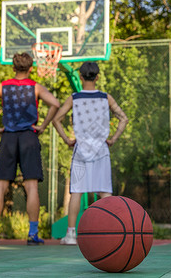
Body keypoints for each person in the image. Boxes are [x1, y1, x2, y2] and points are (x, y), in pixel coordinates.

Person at [0, 52, 60, 245]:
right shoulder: (35, 87)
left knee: (0, 185)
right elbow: (55, 104)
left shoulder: (3, 87)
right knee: (31, 186)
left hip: (8, 138)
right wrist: (43, 125)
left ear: (13, 68)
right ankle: (32, 234)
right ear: (31, 68)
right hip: (29, 137)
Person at [52, 61, 128, 245]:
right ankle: (112, 233)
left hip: (80, 150)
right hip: (101, 149)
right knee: (105, 192)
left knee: (77, 192)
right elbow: (123, 118)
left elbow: (56, 120)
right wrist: (113, 138)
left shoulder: (74, 98)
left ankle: (71, 235)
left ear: (80, 76)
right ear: (98, 76)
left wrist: (67, 140)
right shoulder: (106, 98)